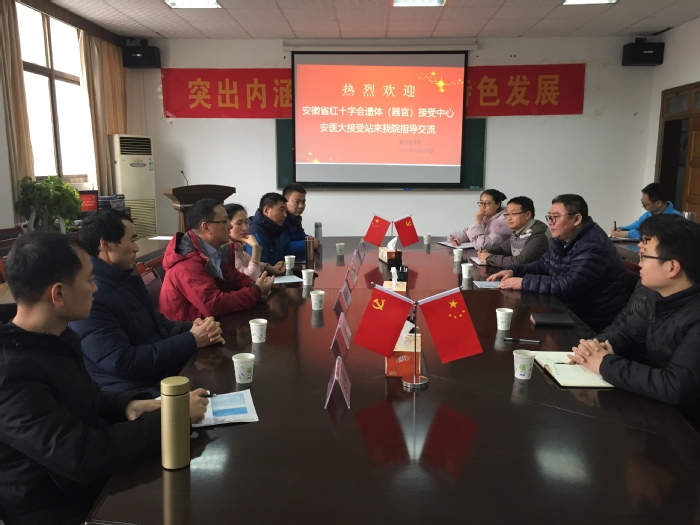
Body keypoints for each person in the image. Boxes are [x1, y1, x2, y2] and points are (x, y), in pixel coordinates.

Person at [0, 232, 208, 525]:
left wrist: (129, 404)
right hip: (61, 508)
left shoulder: (55, 336)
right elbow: (82, 456)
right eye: (89, 280)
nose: (96, 288)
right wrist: (175, 418)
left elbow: (85, 397)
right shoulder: (10, 373)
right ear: (58, 294)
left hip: (90, 485)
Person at [70, 209, 224, 397]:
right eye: (131, 240)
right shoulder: (91, 295)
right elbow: (125, 363)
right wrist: (191, 339)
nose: (136, 248)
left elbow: (159, 324)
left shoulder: (123, 278)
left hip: (159, 376)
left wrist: (195, 327)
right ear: (106, 245)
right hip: (132, 394)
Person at [570, 215, 700, 425]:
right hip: (663, 411)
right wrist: (597, 347)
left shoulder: (693, 315)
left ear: (672, 267)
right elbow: (631, 331)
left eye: (645, 256)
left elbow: (675, 386)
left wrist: (605, 363)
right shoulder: (660, 297)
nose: (639, 262)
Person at [488, 194, 630, 332]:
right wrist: (514, 271)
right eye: (549, 217)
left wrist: (523, 282)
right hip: (568, 308)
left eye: (555, 217)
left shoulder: (593, 245)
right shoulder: (562, 238)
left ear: (576, 219)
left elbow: (570, 284)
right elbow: (544, 264)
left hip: (592, 320)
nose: (550, 222)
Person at [159, 199, 274, 322]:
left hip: (213, 324)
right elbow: (214, 305)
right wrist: (256, 291)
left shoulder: (217, 250)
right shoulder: (187, 262)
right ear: (206, 227)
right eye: (224, 221)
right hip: (189, 329)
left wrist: (256, 288)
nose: (230, 226)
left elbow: (235, 278)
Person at [476, 196, 549, 268]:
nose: (509, 218)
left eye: (513, 214)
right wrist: (487, 252)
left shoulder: (538, 234)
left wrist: (489, 258)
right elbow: (502, 248)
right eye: (507, 214)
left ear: (527, 215)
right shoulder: (519, 230)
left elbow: (520, 262)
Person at [224, 203, 284, 279]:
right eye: (239, 223)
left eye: (246, 222)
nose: (245, 228)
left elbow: (249, 261)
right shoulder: (226, 249)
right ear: (226, 225)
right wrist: (256, 248)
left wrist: (271, 269)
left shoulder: (237, 245)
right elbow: (250, 277)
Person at [611, 182, 682, 239]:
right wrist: (620, 229)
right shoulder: (649, 214)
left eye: (645, 204)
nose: (642, 206)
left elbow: (656, 237)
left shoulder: (675, 218)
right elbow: (635, 226)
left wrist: (629, 234)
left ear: (658, 203)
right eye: (642, 202)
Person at [247, 192, 293, 265]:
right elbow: (258, 267)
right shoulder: (255, 232)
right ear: (266, 210)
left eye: (285, 211)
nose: (285, 215)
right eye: (281, 210)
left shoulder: (275, 229)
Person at [282, 183, 320, 257]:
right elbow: (285, 247)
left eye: (303, 202)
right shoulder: (280, 219)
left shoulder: (295, 218)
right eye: (297, 202)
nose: (301, 206)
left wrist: (311, 239)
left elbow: (301, 236)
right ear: (285, 202)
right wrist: (309, 243)